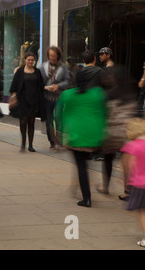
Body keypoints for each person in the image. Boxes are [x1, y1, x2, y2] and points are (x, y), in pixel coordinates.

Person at [54, 70, 107, 208]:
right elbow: (104, 113)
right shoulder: (97, 93)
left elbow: (57, 114)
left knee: (81, 166)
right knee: (85, 164)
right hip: (93, 136)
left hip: (75, 136)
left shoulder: (67, 95)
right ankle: (79, 187)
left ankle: (87, 198)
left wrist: (59, 131)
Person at [96, 66, 138, 196]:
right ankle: (127, 190)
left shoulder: (109, 94)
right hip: (127, 134)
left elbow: (104, 113)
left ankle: (105, 187)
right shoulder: (130, 92)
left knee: (108, 160)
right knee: (126, 162)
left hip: (112, 133)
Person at [9, 52, 46, 152]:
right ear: (25, 60)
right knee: (23, 121)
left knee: (31, 122)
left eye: (32, 60)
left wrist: (48, 88)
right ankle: (23, 143)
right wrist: (13, 96)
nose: (30, 62)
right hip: (22, 100)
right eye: (29, 59)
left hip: (34, 100)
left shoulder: (37, 71)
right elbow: (14, 86)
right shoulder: (20, 71)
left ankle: (30, 145)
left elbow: (41, 85)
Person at [120, 118, 145, 248]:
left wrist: (126, 185)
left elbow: (129, 167)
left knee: (142, 211)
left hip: (140, 184)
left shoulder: (132, 146)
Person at [40, 46, 71, 151]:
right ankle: (52, 142)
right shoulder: (42, 67)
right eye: (50, 55)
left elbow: (67, 81)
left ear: (58, 55)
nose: (52, 57)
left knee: (59, 119)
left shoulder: (63, 67)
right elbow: (39, 82)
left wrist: (58, 86)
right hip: (47, 98)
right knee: (49, 120)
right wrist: (45, 87)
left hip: (59, 98)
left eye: (54, 55)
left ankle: (60, 141)